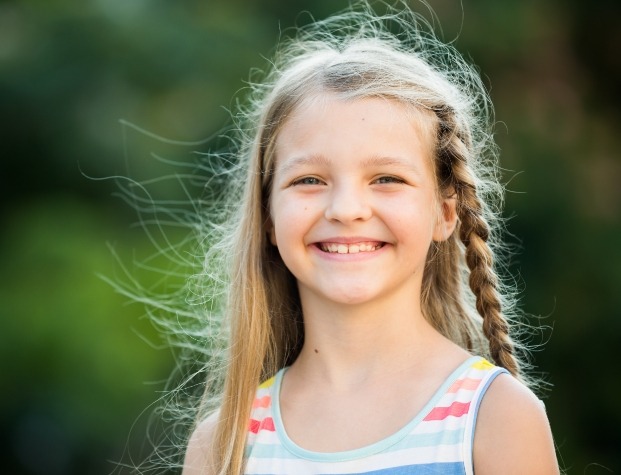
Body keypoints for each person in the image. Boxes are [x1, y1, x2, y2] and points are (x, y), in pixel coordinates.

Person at [181, 1, 559, 473]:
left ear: (445, 213)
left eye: (386, 178)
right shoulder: (224, 443)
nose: (346, 210)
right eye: (309, 180)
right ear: (269, 218)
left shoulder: (495, 418)